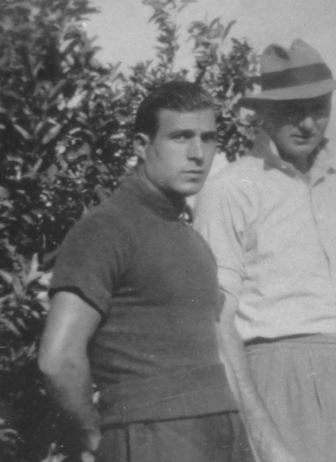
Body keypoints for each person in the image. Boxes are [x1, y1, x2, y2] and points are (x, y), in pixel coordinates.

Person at [194, 39, 336, 462]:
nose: (307, 123)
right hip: (283, 375)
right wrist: (261, 433)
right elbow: (216, 319)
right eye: (290, 110)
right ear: (261, 113)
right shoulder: (232, 190)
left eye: (319, 107)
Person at [39, 81, 293, 462]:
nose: (197, 154)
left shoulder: (191, 238)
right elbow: (58, 359)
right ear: (142, 145)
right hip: (154, 437)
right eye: (180, 137)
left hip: (220, 434)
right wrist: (94, 439)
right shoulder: (107, 228)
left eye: (208, 139)